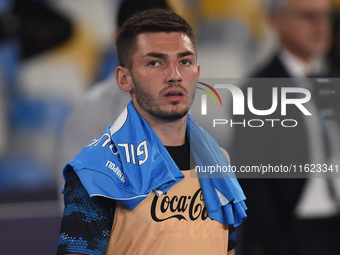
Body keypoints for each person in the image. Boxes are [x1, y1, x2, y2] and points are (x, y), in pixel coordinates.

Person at [57, 9, 247, 255]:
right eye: (155, 62)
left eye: (184, 61)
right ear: (125, 79)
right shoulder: (96, 171)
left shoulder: (219, 160)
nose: (174, 76)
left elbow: (226, 248)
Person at [232, 0, 339, 255]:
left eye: (326, 17)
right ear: (277, 21)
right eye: (308, 16)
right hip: (292, 235)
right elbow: (254, 182)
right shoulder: (258, 90)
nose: (320, 26)